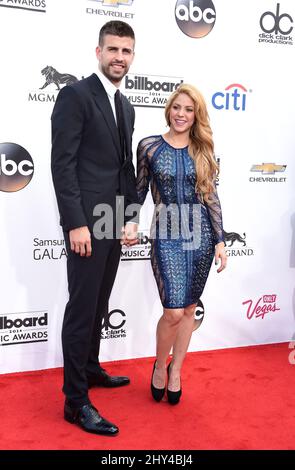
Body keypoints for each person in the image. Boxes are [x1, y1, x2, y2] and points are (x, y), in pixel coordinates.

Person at [51, 20, 138, 436]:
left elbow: (125, 168)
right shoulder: (75, 95)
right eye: (113, 49)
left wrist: (130, 217)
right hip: (87, 224)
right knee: (82, 310)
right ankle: (75, 400)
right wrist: (76, 224)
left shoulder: (125, 105)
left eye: (126, 51)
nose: (119, 57)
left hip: (113, 221)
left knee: (100, 303)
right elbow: (62, 165)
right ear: (98, 52)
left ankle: (89, 368)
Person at [136, 83, 227, 405]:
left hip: (200, 234)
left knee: (189, 307)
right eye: (177, 108)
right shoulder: (148, 146)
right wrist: (130, 221)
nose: (182, 115)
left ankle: (177, 370)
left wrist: (219, 240)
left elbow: (210, 196)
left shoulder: (203, 150)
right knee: (173, 310)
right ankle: (159, 365)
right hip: (166, 232)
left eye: (189, 110)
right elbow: (139, 190)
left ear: (196, 115)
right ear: (168, 110)